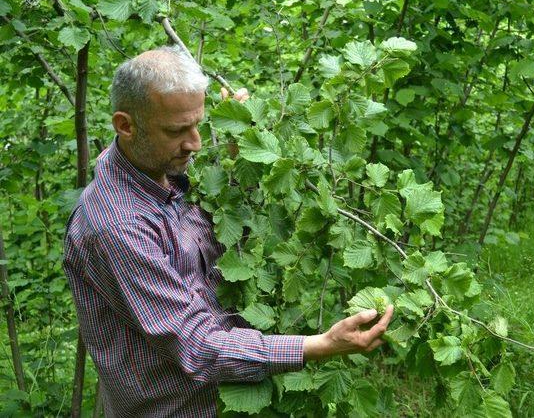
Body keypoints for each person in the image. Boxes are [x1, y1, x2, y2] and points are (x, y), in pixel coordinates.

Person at [63, 45, 393, 417]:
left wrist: (240, 154)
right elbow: (197, 344)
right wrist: (320, 345)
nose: (196, 143)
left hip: (226, 399)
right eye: (176, 130)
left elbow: (219, 229)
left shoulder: (161, 171)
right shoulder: (117, 227)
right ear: (125, 125)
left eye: (198, 124)